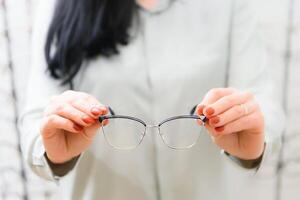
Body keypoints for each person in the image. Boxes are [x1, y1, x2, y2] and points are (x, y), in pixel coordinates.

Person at [20, 0, 284, 199]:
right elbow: (36, 122)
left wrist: (254, 140)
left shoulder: (227, 5)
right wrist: (52, 149)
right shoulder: (58, 5)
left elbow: (262, 105)